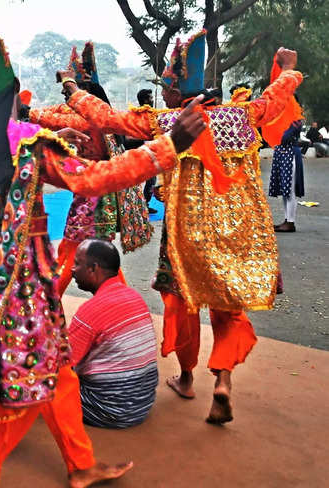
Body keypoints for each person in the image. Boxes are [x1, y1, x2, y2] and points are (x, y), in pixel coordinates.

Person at [0, 19, 206, 487]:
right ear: (14, 94)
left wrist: (59, 142)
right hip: (20, 299)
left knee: (58, 374)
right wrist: (170, 145)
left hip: (4, 288)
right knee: (15, 394)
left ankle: (79, 465)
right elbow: (97, 178)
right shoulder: (27, 145)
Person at [61, 30, 302, 424]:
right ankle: (222, 380)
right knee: (229, 309)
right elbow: (273, 98)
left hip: (184, 235)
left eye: (166, 89)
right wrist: (289, 70)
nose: (165, 96)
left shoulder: (168, 122)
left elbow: (104, 117)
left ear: (175, 92)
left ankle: (188, 378)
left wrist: (71, 85)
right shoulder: (241, 114)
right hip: (237, 235)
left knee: (181, 301)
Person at [29, 43, 152, 296]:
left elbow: (56, 118)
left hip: (93, 193)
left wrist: (24, 112)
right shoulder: (97, 113)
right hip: (95, 191)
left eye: (70, 93)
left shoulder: (89, 118)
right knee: (95, 256)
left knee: (72, 253)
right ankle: (120, 305)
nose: (66, 99)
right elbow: (56, 112)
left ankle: (49, 307)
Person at [69, 239, 158, 429]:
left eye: (77, 263)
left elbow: (62, 363)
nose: (72, 269)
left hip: (107, 409)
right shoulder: (135, 297)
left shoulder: (90, 311)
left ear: (93, 269)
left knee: (47, 383)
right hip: (141, 404)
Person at [269, 119, 304, 232]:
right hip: (283, 155)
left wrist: (277, 131)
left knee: (290, 190)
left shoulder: (295, 119)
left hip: (290, 154)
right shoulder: (284, 117)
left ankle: (290, 222)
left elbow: (285, 137)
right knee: (285, 190)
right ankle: (287, 219)